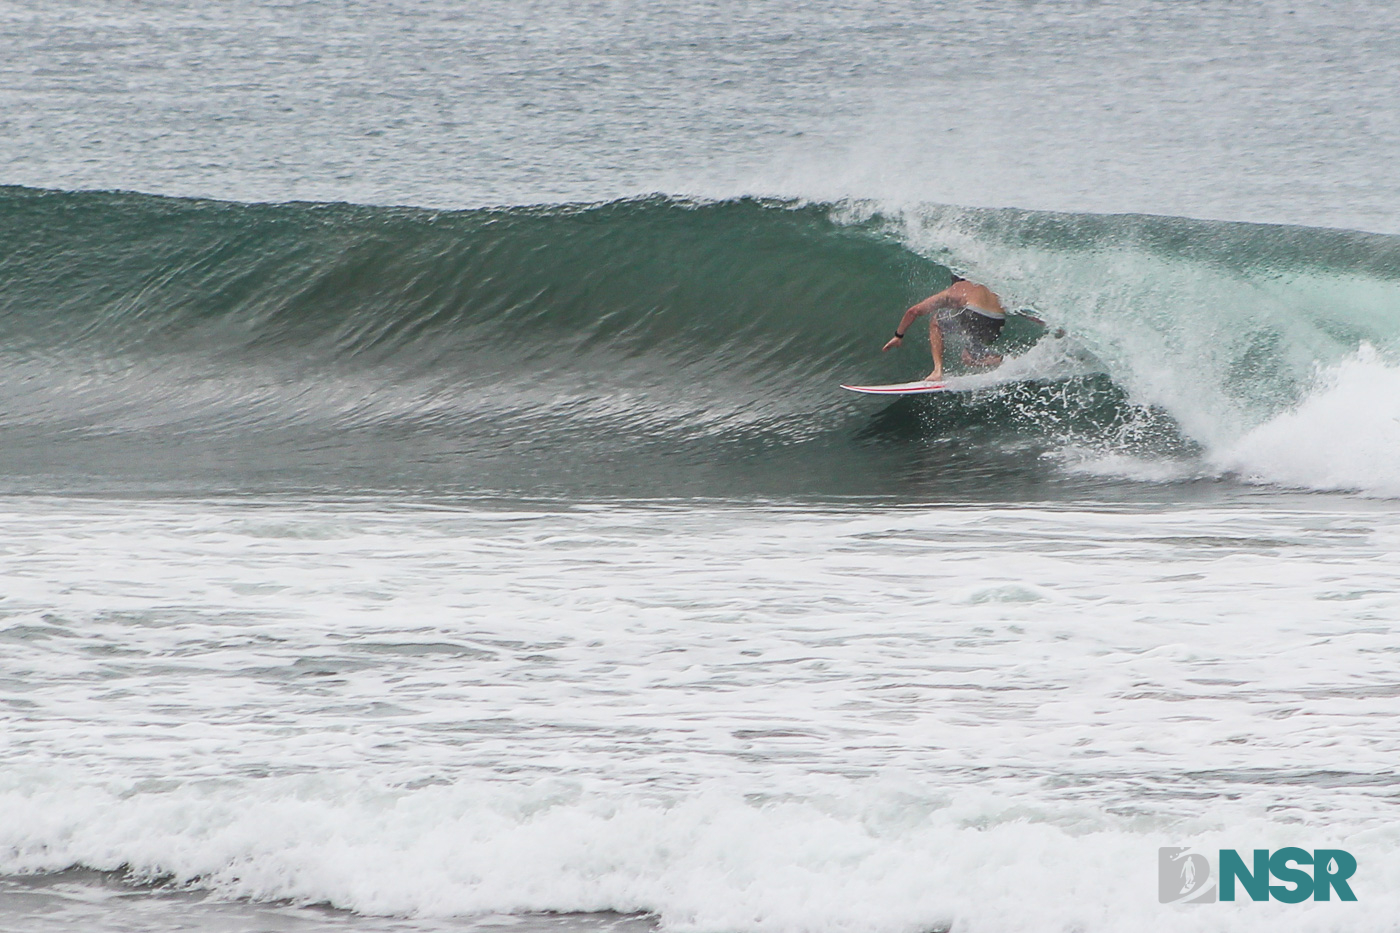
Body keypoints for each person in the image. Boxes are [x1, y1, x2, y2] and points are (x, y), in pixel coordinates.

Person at [881, 275, 1006, 382]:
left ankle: (937, 371)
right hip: (997, 323)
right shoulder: (989, 290)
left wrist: (898, 336)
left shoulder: (956, 289)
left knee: (936, 321)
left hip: (975, 316)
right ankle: (1003, 361)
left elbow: (913, 311)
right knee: (968, 358)